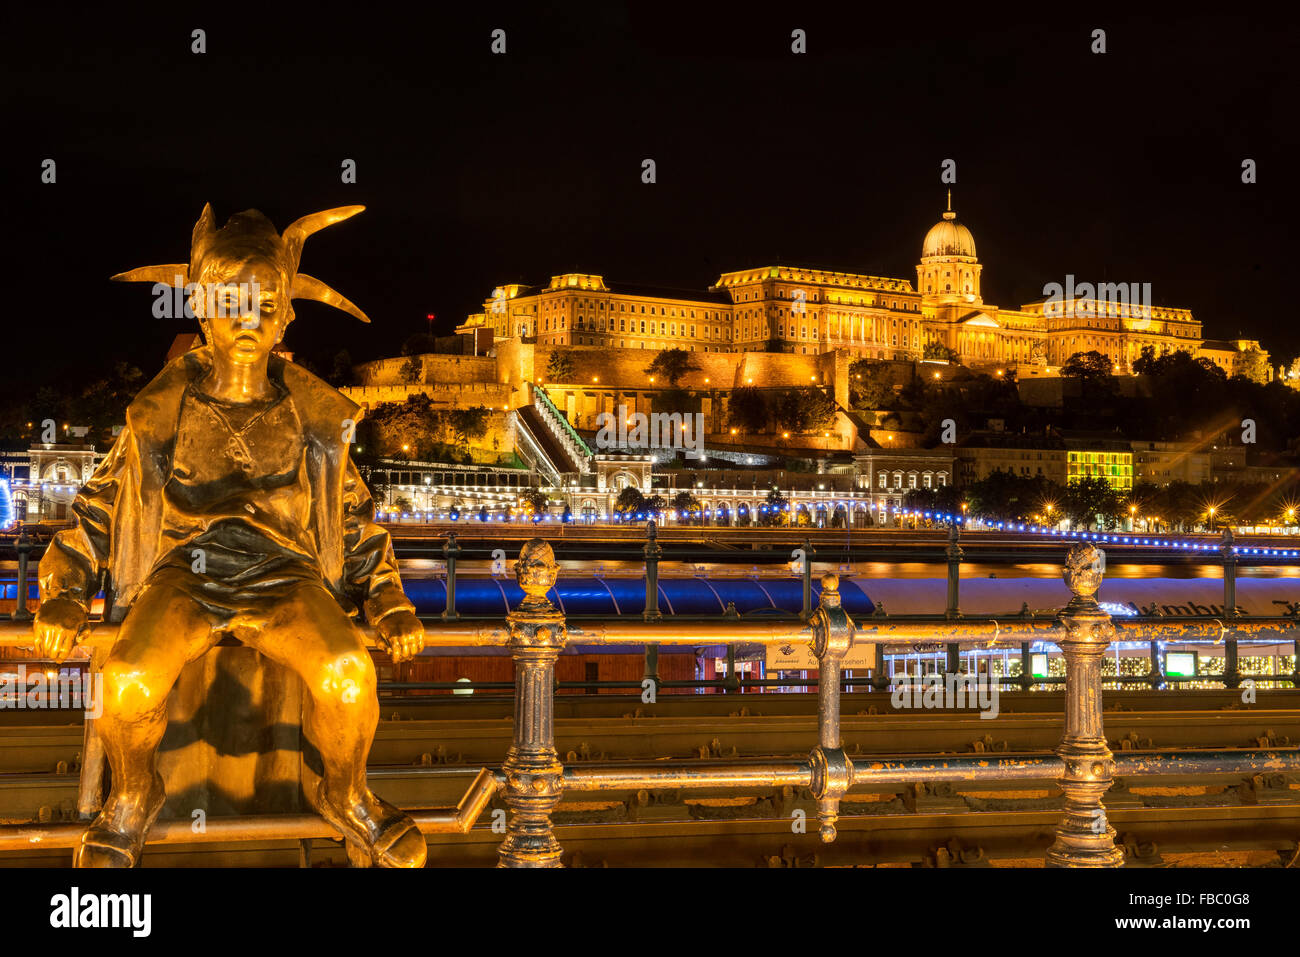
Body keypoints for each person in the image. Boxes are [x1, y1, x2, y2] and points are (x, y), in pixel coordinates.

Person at [34, 204, 427, 868]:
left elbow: (355, 519)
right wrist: (65, 587)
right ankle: (132, 795)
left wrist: (386, 597)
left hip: (286, 578)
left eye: (263, 301)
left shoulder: (316, 420)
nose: (247, 315)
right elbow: (98, 505)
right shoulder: (158, 415)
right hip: (183, 575)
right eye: (230, 298)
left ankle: (349, 793)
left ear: (284, 316)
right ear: (203, 309)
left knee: (349, 673)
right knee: (128, 677)